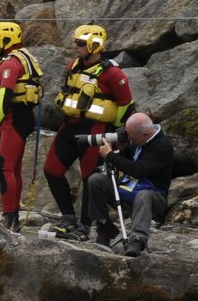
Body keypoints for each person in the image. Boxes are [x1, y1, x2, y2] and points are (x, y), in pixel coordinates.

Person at [44, 23, 133, 238]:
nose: (75, 47)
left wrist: (118, 133)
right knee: (51, 170)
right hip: (69, 127)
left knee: (89, 179)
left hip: (96, 129)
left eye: (80, 43)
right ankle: (68, 217)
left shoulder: (112, 74)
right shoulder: (72, 66)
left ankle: (85, 225)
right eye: (75, 42)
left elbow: (126, 104)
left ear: (94, 45)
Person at [0, 19, 41, 233]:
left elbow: (4, 97)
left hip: (14, 118)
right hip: (21, 117)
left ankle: (9, 217)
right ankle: (12, 216)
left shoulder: (10, 63)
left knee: (4, 167)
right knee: (12, 168)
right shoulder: (21, 58)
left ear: (6, 40)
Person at [83, 112, 173, 257]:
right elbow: (128, 162)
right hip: (128, 187)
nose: (129, 138)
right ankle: (105, 227)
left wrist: (111, 156)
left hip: (154, 195)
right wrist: (123, 149)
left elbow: (139, 170)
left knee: (143, 196)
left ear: (145, 134)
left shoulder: (163, 146)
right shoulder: (138, 139)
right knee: (96, 180)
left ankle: (137, 239)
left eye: (131, 136)